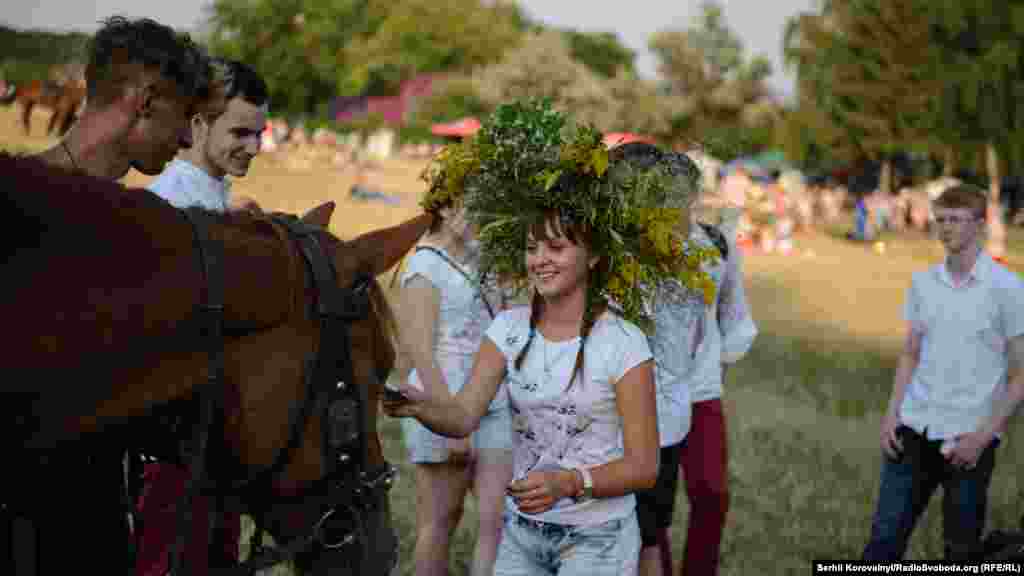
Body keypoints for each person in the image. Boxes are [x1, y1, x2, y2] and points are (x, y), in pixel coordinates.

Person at [385, 101, 672, 576]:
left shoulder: (624, 344)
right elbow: (461, 418)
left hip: (597, 541)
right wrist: (419, 406)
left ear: (594, 255)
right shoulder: (508, 330)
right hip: (523, 536)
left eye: (557, 246)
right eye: (531, 246)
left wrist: (570, 483)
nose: (540, 259)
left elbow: (644, 467)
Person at [3, 16, 209, 575]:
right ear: (142, 102)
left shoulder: (142, 231)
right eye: (182, 117)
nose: (189, 139)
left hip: (96, 524)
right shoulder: (14, 209)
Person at [133, 57, 269, 576]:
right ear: (196, 126)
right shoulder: (165, 207)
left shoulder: (221, 201)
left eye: (260, 134)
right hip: (175, 448)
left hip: (219, 438)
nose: (254, 148)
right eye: (240, 132)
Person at [864, 183, 1024, 562]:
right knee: (883, 544)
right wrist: (892, 414)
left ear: (980, 225)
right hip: (913, 431)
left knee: (960, 552)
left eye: (956, 219)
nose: (945, 227)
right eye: (940, 219)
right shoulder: (923, 284)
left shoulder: (1008, 289)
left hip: (968, 439)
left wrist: (984, 437)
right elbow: (910, 354)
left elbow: (1021, 376)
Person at [395, 194, 513, 576]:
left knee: (499, 518)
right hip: (440, 394)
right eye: (466, 205)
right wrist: (450, 421)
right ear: (443, 209)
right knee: (441, 521)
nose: (476, 215)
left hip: (494, 399)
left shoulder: (488, 258)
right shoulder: (425, 265)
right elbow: (421, 352)